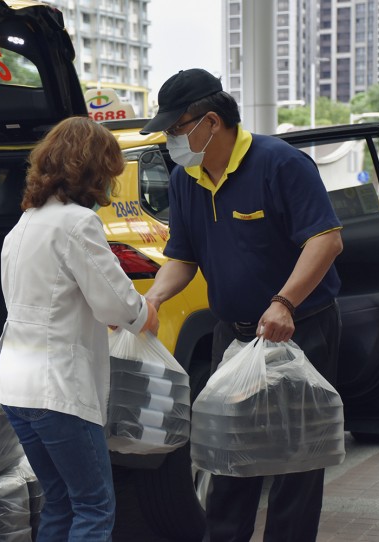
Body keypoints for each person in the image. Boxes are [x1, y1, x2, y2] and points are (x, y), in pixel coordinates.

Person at [141, 69, 344, 542]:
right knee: (230, 453)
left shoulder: (281, 163)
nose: (171, 139)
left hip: (299, 331)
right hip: (232, 338)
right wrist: (152, 298)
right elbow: (182, 258)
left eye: (175, 128)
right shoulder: (186, 179)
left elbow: (325, 241)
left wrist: (284, 302)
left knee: (297, 458)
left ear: (210, 122)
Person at [0, 116, 159, 541]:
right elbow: (116, 304)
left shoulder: (23, 224)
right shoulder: (78, 223)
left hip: (15, 385)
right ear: (93, 172)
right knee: (94, 505)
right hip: (58, 388)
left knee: (61, 500)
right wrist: (144, 312)